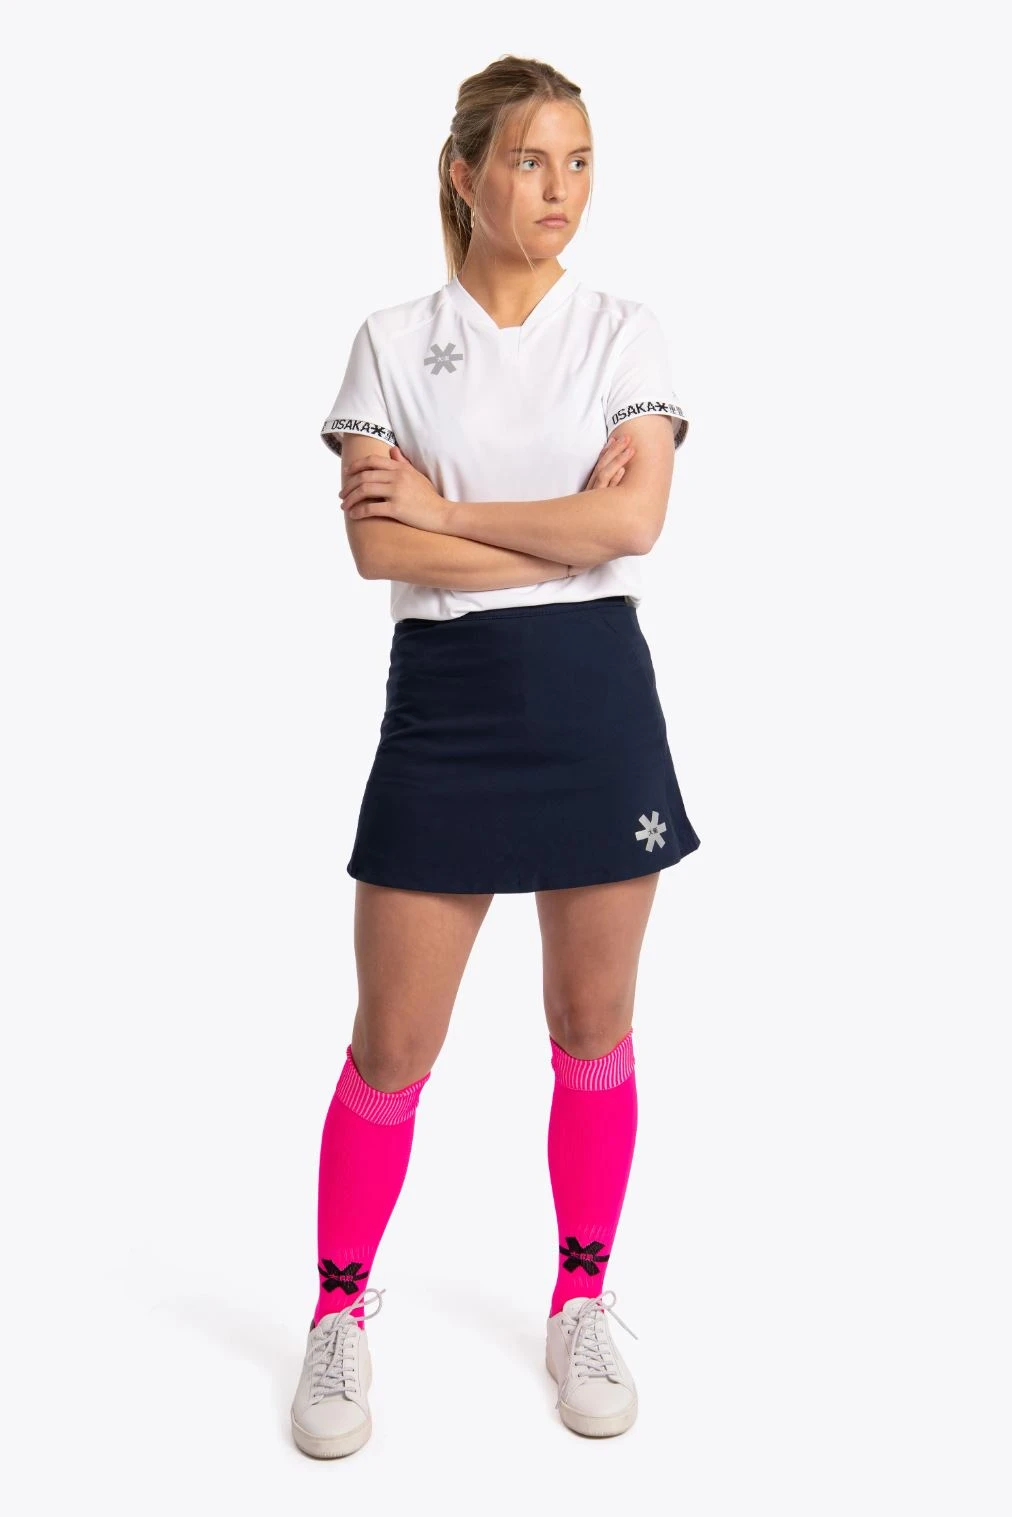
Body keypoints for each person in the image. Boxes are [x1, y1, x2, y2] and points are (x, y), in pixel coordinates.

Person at [290, 54, 701, 1458]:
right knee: (392, 1045)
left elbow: (631, 528)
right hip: (449, 707)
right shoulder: (391, 344)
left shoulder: (624, 333)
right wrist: (540, 531)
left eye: (580, 162)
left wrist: (451, 514)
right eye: (532, 160)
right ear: (464, 173)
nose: (561, 190)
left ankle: (581, 1298)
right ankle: (338, 1315)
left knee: (592, 1030)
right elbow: (375, 549)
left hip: (597, 708)